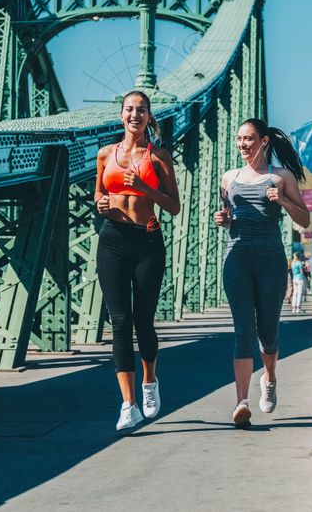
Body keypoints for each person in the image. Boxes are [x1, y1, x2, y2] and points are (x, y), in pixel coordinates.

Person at [214, 118, 311, 427]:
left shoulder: (281, 177)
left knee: (267, 332)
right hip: (237, 258)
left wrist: (282, 200)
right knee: (243, 330)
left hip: (270, 260)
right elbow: (229, 216)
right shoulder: (229, 178)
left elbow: (305, 219)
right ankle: (241, 402)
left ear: (264, 141)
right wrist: (223, 219)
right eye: (239, 139)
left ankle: (269, 378)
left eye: (249, 139)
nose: (243, 144)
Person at [95, 91, 182, 431]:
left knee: (143, 321)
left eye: (141, 110)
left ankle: (149, 384)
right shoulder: (106, 154)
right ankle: (127, 404)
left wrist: (145, 188)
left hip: (147, 240)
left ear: (148, 117)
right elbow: (99, 193)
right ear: (121, 116)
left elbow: (173, 206)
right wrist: (101, 203)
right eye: (129, 110)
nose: (135, 115)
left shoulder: (158, 156)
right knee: (119, 321)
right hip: (113, 239)